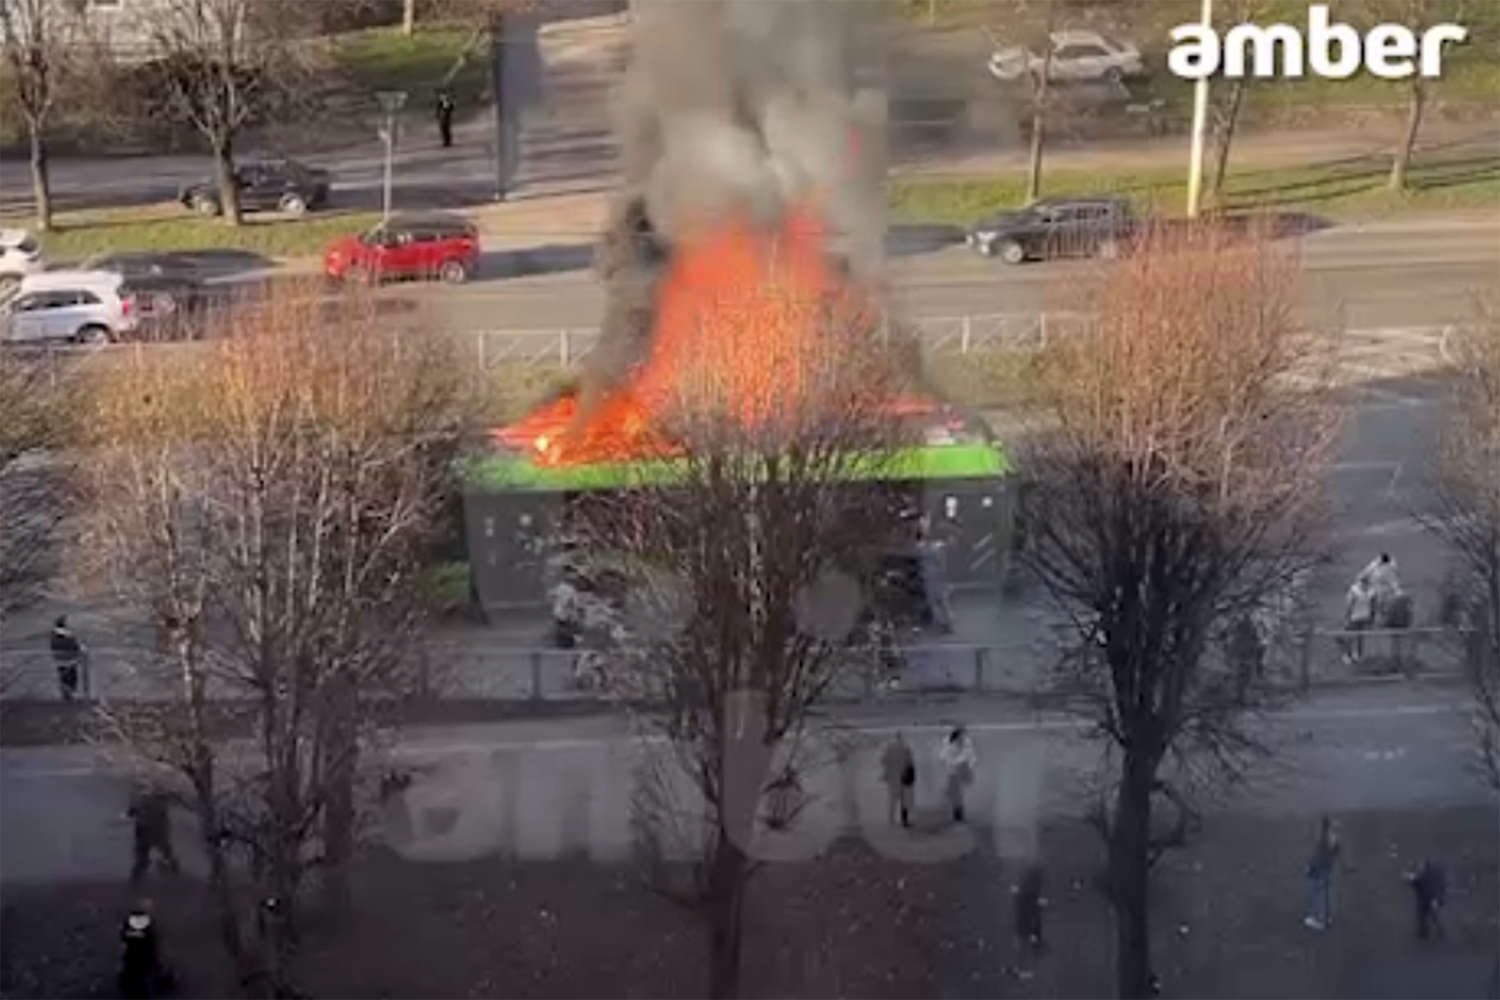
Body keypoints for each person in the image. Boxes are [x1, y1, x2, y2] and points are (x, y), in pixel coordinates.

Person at [118, 899, 171, 1000]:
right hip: (142, 955)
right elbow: (151, 940)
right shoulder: (144, 927)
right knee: (146, 971)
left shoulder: (130, 926)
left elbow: (125, 937)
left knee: (133, 974)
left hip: (135, 955)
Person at [128, 784, 181, 885]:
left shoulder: (141, 801)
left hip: (145, 831)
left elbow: (131, 813)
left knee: (142, 858)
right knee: (167, 853)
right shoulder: (161, 802)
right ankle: (176, 873)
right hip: (159, 832)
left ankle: (135, 881)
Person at [915, 515, 954, 633]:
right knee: (937, 600)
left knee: (939, 600)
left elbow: (941, 561)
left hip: (933, 574)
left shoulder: (933, 545)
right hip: (930, 574)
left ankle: (945, 623)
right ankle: (944, 623)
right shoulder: (927, 545)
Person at [1304, 815, 1342, 930]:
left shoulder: (1325, 838)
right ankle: (1325, 918)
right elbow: (1335, 853)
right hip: (1326, 868)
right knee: (1324, 893)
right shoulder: (1333, 837)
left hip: (1321, 869)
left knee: (1319, 893)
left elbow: (1319, 855)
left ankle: (1320, 919)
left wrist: (1311, 867)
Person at [1011, 864, 1047, 979]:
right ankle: (1021, 968)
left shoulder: (1027, 888)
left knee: (1023, 944)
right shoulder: (1031, 889)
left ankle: (1020, 968)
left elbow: (1021, 903)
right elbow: (1030, 906)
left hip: (1024, 921)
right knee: (1025, 944)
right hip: (1027, 921)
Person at [939, 726, 977, 823]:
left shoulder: (957, 742)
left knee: (957, 793)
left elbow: (942, 757)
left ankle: (958, 812)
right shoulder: (959, 742)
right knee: (957, 793)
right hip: (956, 771)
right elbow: (971, 756)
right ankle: (958, 812)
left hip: (956, 771)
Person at [880, 731, 916, 828]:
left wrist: (887, 771)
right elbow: (910, 762)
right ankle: (904, 820)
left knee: (892, 798)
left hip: (892, 776)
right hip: (903, 776)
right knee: (904, 799)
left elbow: (883, 760)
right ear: (901, 737)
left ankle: (891, 819)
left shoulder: (889, 747)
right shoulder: (906, 747)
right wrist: (912, 777)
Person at [1409, 860, 1448, 941]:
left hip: (1426, 899)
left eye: (1420, 866)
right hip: (1432, 899)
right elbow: (1441, 885)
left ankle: (1424, 932)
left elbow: (1417, 884)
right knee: (1433, 916)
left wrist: (1410, 879)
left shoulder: (1423, 875)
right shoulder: (1434, 874)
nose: (1419, 868)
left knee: (1424, 916)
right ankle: (1437, 931)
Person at [1357, 552, 1402, 622]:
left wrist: (1397, 591)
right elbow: (1366, 571)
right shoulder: (1375, 564)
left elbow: (1393, 580)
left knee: (1383, 604)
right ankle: (1372, 617)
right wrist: (1361, 577)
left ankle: (1383, 618)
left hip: (1385, 589)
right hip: (1375, 587)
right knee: (1373, 603)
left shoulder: (1391, 567)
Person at [50, 614, 86, 701]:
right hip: (70, 660)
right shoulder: (68, 635)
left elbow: (54, 647)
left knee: (63, 678)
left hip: (59, 660)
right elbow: (74, 646)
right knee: (72, 678)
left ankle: (66, 695)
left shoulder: (53, 635)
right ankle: (72, 695)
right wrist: (81, 648)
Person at [1341, 577, 1375, 665]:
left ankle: (1357, 655)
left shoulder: (1371, 592)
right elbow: (1349, 605)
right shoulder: (1354, 591)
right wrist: (1347, 617)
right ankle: (1346, 656)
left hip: (1364, 617)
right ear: (1361, 583)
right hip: (1354, 617)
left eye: (1367, 584)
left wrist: (1371, 618)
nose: (1366, 586)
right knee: (1350, 637)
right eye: (1364, 584)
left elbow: (1372, 606)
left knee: (1360, 637)